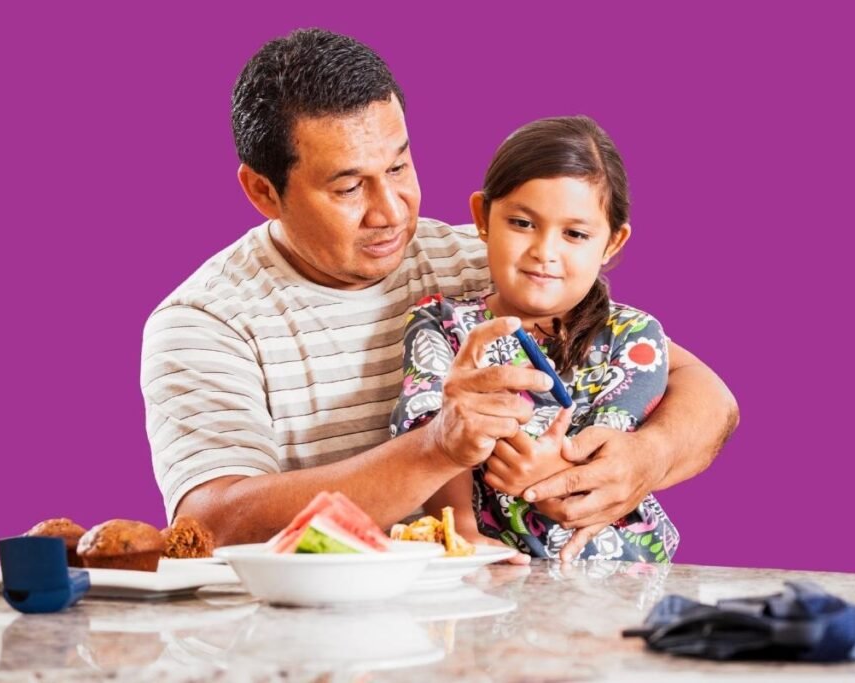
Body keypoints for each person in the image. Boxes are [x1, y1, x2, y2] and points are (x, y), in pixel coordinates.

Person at [140, 29, 739, 559]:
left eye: (399, 168)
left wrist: (644, 460)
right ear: (263, 191)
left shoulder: (483, 258)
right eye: (349, 187)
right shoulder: (207, 321)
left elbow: (702, 392)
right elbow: (212, 523)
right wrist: (436, 447)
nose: (391, 211)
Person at [392, 116, 680, 562]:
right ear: (482, 217)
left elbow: (613, 452)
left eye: (575, 234)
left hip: (616, 572)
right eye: (523, 223)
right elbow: (433, 436)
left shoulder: (636, 338)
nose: (544, 251)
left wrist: (549, 477)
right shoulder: (441, 325)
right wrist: (463, 535)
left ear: (612, 243)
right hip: (492, 574)